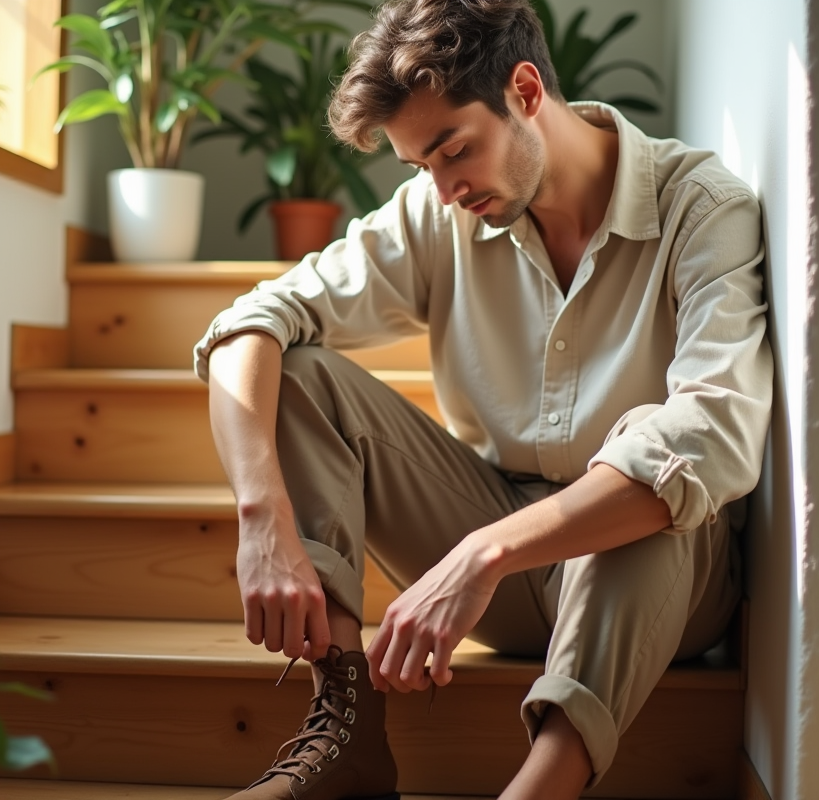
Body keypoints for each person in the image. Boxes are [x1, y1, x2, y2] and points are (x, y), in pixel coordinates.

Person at [194, 0, 772, 796]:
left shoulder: (703, 209)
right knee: (296, 370)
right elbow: (247, 326)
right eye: (418, 167)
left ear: (526, 90)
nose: (442, 189)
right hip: (501, 568)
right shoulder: (446, 213)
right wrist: (262, 518)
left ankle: (543, 785)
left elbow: (713, 436)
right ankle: (347, 734)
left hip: (663, 582)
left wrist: (483, 552)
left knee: (652, 454)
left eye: (453, 150)